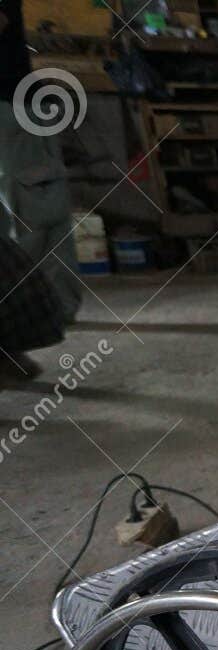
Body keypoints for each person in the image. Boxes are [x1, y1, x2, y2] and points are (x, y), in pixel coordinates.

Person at [0, 0, 80, 379]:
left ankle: (25, 331)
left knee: (34, 217)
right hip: (11, 110)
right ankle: (15, 338)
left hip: (11, 107)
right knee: (30, 218)